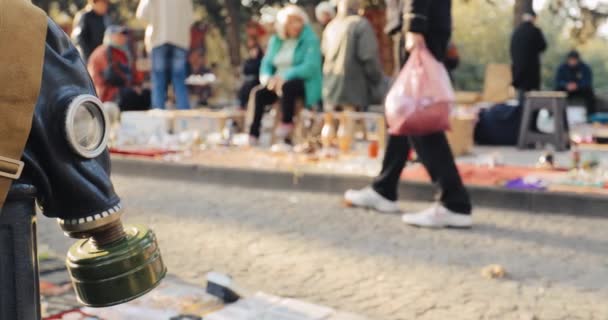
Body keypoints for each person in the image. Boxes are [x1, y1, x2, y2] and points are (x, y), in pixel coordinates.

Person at [344, 0, 473, 229]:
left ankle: (454, 202)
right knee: (403, 113)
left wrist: (415, 23)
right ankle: (385, 189)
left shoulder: (417, 25)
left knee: (416, 113)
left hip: (420, 24)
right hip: (421, 23)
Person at [249, 5, 323, 143]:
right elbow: (266, 64)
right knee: (259, 93)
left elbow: (310, 67)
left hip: (303, 83)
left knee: (287, 87)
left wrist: (285, 76)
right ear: (284, 24)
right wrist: (267, 79)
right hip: (277, 82)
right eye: (292, 21)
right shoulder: (276, 41)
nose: (296, 25)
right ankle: (253, 133)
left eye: (298, 21)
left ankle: (287, 125)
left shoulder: (310, 39)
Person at [322, 0, 385, 111]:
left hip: (330, 89)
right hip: (353, 91)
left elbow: (323, 56)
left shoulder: (330, 27)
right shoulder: (360, 24)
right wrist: (378, 80)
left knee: (332, 124)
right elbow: (369, 57)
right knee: (351, 125)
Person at [136, 0, 194, 110]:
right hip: (179, 39)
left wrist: (155, 23)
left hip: (158, 39)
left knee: (158, 79)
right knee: (179, 79)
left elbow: (142, 14)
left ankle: (158, 114)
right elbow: (190, 18)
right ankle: (184, 114)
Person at [88, 26, 150, 111]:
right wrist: (131, 87)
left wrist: (137, 85)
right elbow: (111, 76)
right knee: (132, 96)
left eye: (124, 35)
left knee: (146, 94)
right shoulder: (103, 52)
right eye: (119, 35)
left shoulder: (121, 53)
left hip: (119, 91)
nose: (124, 38)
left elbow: (132, 74)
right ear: (111, 36)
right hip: (107, 95)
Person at [510, 10, 547, 106]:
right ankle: (531, 120)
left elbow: (511, 50)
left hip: (518, 71)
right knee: (533, 100)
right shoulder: (535, 31)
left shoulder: (516, 32)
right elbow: (543, 46)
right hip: (532, 73)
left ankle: (520, 119)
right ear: (534, 18)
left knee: (521, 99)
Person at [555, 50, 596, 116]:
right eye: (571, 60)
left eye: (574, 60)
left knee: (590, 92)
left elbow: (588, 81)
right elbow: (558, 81)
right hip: (566, 89)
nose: (572, 61)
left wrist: (577, 86)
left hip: (580, 89)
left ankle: (591, 116)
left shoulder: (585, 67)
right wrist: (566, 85)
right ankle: (557, 115)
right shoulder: (562, 68)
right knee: (557, 91)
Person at [239, 41, 264, 109]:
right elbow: (245, 70)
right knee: (243, 87)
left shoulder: (261, 60)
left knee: (250, 86)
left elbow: (258, 70)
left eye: (255, 50)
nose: (253, 52)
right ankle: (242, 105)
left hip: (257, 80)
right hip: (248, 80)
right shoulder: (248, 61)